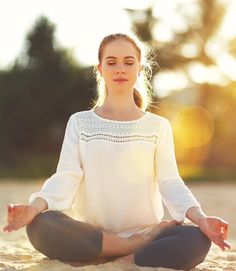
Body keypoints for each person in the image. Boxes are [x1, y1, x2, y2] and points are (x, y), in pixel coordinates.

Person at [3, 32, 231, 270]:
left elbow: (170, 181)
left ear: (140, 69)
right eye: (111, 62)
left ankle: (126, 254)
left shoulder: (158, 126)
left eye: (128, 62)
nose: (120, 69)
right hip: (93, 234)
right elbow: (66, 177)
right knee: (41, 225)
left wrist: (201, 218)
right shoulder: (80, 122)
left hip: (146, 231)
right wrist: (34, 207)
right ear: (100, 69)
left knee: (197, 239)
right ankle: (133, 247)